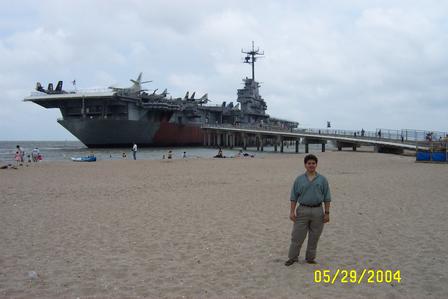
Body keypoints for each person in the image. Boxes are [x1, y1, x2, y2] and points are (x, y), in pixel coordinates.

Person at [285, 154, 331, 266]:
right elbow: (293, 197)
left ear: (316, 165)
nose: (311, 165)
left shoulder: (322, 180)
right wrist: (292, 212)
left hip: (318, 211)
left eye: (313, 163)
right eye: (309, 163)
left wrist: (327, 213)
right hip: (302, 210)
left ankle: (310, 258)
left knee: (314, 237)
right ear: (305, 165)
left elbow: (327, 198)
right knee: (297, 236)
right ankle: (292, 258)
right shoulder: (299, 179)